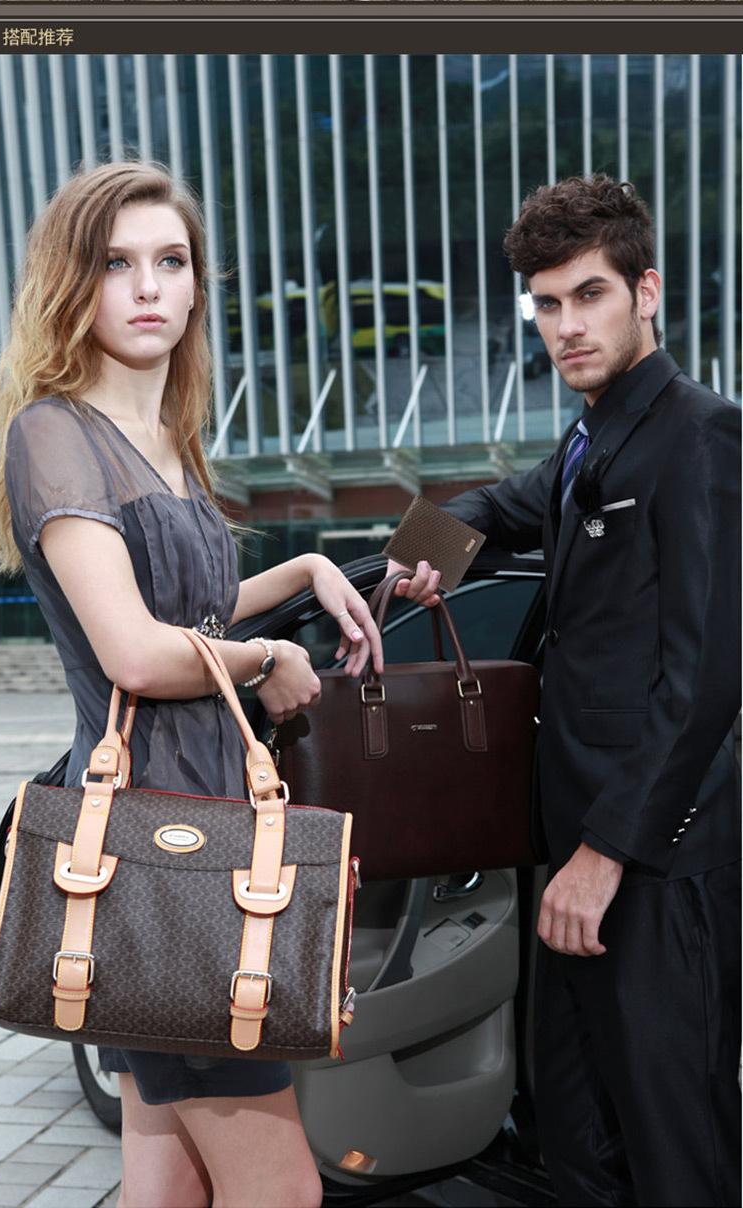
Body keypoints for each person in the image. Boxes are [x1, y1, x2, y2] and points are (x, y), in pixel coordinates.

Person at [0, 160, 383, 1208]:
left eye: (171, 260)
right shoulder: (55, 432)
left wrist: (303, 569)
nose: (149, 286)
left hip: (198, 829)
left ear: (200, 284)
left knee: (166, 1184)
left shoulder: (167, 440)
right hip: (156, 854)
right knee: (282, 1188)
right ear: (71, 283)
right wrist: (270, 660)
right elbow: (134, 651)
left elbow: (191, 610)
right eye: (116, 264)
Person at [391, 175, 740, 1207]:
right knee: (577, 1145)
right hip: (570, 857)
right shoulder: (590, 439)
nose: (566, 326)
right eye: (546, 304)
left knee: (675, 1150)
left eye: (589, 295)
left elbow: (707, 678)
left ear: (647, 292)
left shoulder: (701, 434)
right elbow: (502, 504)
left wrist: (602, 856)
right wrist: (416, 551)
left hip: (654, 865)